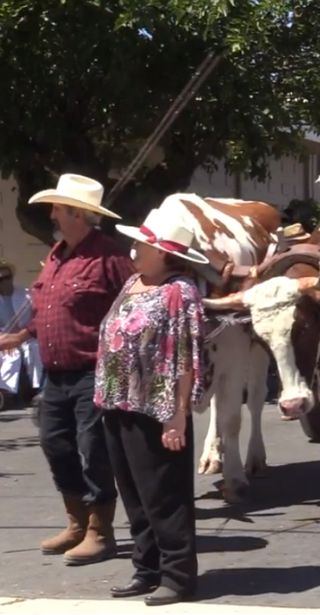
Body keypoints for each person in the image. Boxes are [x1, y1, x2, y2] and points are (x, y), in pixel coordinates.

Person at [0, 174, 133, 564]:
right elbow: (46, 310)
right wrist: (21, 335)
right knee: (56, 445)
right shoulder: (57, 254)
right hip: (55, 375)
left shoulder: (110, 257)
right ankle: (76, 522)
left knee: (94, 451)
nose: (52, 213)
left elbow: (130, 309)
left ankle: (100, 531)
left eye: (58, 207)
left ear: (77, 213)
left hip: (93, 369)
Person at [96, 208, 207, 605]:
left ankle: (178, 576)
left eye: (141, 244)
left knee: (164, 495)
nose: (134, 249)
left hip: (156, 409)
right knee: (134, 494)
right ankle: (147, 568)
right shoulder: (132, 283)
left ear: (162, 253)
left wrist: (178, 415)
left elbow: (183, 358)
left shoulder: (179, 292)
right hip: (119, 402)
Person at [0, 260, 43, 403]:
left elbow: (36, 318)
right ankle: (5, 392)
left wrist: (22, 335)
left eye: (7, 277)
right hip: (4, 338)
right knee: (11, 355)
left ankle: (38, 390)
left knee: (35, 348)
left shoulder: (26, 295)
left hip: (26, 337)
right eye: (0, 279)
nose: (4, 281)